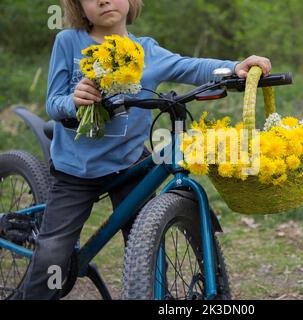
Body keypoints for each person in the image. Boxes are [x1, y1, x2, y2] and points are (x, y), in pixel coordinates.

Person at [12, 0, 272, 300]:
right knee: (52, 252)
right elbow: (53, 102)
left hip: (128, 165)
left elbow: (191, 65)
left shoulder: (147, 51)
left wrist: (236, 68)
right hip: (76, 169)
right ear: (79, 7)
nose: (103, 0)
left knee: (147, 240)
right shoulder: (68, 41)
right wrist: (74, 99)